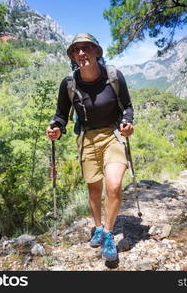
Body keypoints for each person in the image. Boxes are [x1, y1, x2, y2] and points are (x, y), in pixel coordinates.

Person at [46, 33, 134, 261]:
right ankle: (97, 226)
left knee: (113, 186)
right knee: (94, 190)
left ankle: (107, 234)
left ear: (96, 51)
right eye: (76, 50)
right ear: (73, 56)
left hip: (113, 135)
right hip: (86, 138)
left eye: (86, 48)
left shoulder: (113, 76)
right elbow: (61, 115)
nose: (81, 53)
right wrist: (56, 127)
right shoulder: (69, 84)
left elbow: (127, 107)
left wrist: (127, 123)